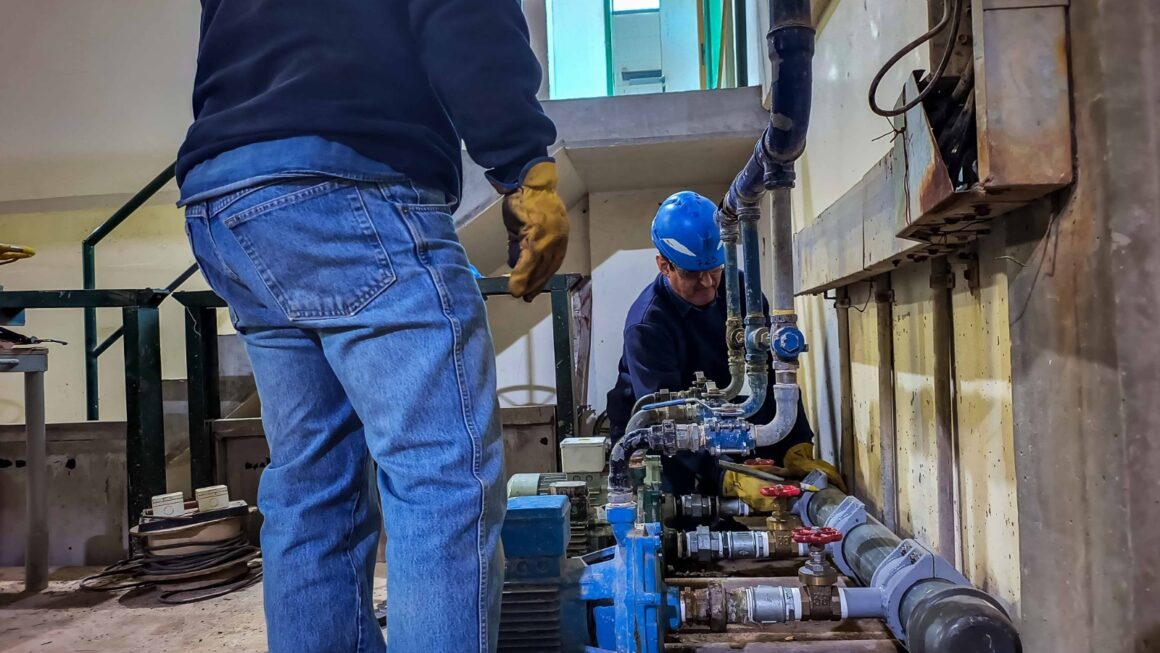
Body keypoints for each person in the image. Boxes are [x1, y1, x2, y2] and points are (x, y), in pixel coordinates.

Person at [175, 3, 568, 652]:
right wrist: (522, 159)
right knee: (442, 481)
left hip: (227, 191)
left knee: (311, 491)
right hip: (349, 176)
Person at [605, 191, 844, 503]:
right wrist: (725, 476)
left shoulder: (744, 294)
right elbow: (663, 420)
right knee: (675, 510)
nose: (707, 283)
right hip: (662, 437)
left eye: (715, 269)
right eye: (692, 273)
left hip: (719, 413)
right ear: (664, 265)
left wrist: (795, 443)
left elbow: (776, 372)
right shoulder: (647, 326)